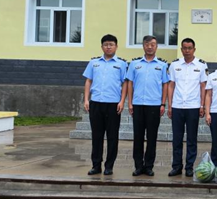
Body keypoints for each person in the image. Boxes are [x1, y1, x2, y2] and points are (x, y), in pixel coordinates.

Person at [82, 34, 127, 176]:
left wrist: (122, 101)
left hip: (113, 104)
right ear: (102, 47)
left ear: (116, 46)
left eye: (111, 44)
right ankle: (96, 165)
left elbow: (125, 83)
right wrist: (86, 99)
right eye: (106, 44)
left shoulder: (121, 64)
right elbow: (88, 81)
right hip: (96, 103)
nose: (108, 47)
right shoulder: (94, 63)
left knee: (112, 137)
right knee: (97, 136)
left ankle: (109, 166)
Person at [127, 35, 169, 177]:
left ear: (156, 47)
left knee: (152, 137)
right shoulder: (134, 64)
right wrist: (130, 102)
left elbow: (165, 84)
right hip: (138, 104)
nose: (150, 47)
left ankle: (149, 166)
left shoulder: (162, 65)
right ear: (143, 46)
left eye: (152, 44)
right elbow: (130, 83)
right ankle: (138, 166)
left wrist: (163, 103)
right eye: (147, 44)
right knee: (138, 137)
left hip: (154, 105)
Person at [167, 38, 208, 177]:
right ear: (181, 49)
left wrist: (202, 105)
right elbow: (171, 85)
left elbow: (203, 86)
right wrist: (169, 105)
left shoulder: (201, 65)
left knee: (191, 139)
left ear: (194, 49)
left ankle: (189, 167)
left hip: (193, 106)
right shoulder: (175, 65)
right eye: (184, 48)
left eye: (190, 48)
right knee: (177, 139)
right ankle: (176, 166)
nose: (187, 51)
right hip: (177, 105)